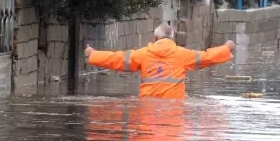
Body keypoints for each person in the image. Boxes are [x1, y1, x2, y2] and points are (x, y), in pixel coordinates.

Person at [85, 24, 236, 99]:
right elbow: (207, 57)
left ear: (155, 38)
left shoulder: (143, 54)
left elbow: (116, 59)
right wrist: (226, 48)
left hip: (147, 107)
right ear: (172, 38)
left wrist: (93, 54)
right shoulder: (183, 55)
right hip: (175, 108)